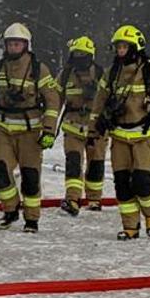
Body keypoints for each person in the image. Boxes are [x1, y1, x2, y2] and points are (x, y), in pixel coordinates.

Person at [93, 24, 150, 240]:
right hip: (119, 137)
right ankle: (130, 227)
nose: (120, 51)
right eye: (118, 47)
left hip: (143, 137)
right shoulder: (111, 74)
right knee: (123, 185)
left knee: (142, 181)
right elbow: (98, 103)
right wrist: (93, 130)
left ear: (136, 47)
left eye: (124, 46)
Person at [0, 23, 62, 232]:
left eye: (17, 44)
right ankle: (10, 209)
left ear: (26, 45)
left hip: (30, 134)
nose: (13, 47)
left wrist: (49, 131)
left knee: (30, 177)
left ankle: (31, 219)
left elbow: (53, 102)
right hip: (4, 131)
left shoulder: (38, 70)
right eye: (10, 43)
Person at [57, 37, 109, 216]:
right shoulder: (65, 75)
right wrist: (47, 124)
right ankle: (72, 199)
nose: (79, 59)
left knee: (96, 163)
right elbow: (55, 99)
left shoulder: (102, 74)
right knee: (73, 162)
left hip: (97, 129)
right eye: (76, 55)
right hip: (72, 126)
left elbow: (111, 101)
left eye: (83, 55)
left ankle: (94, 199)